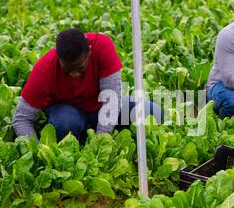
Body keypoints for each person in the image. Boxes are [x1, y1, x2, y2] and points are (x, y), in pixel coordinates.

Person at [12, 28, 162, 142]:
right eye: (68, 70)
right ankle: (77, 140)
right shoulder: (44, 70)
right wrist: (37, 150)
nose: (74, 74)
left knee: (153, 112)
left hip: (102, 107)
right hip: (69, 114)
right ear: (58, 58)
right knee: (65, 123)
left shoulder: (102, 46)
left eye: (80, 68)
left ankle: (92, 135)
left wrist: (99, 143)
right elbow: (21, 119)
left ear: (89, 53)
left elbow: (111, 101)